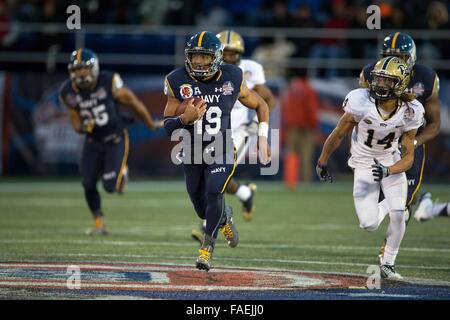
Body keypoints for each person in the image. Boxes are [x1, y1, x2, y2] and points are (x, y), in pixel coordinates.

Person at [163, 31, 270, 271]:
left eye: (205, 57)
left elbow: (262, 104)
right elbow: (167, 127)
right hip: (191, 149)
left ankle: (206, 248)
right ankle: (225, 217)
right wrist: (183, 119)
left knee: (214, 191)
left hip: (222, 146)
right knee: (201, 206)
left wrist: (263, 138)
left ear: (217, 58)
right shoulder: (176, 79)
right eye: (195, 56)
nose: (199, 62)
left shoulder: (232, 76)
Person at [317, 56, 425, 279]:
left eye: (387, 81)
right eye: (378, 79)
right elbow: (339, 134)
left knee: (398, 215)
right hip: (364, 163)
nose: (379, 85)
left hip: (390, 160)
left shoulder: (411, 111)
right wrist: (322, 160)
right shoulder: (360, 101)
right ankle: (393, 204)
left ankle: (388, 263)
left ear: (401, 83)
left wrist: (390, 170)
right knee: (369, 224)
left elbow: (408, 159)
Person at [59, 48, 161, 235]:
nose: (81, 74)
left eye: (84, 69)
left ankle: (123, 171)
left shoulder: (108, 81)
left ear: (94, 68)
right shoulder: (67, 92)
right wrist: (83, 128)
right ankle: (99, 223)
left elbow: (133, 102)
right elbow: (75, 121)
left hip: (114, 137)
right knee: (88, 183)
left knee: (110, 187)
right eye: (77, 70)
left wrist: (150, 123)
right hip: (92, 140)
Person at [359, 32, 441, 261]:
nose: (396, 62)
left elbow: (434, 124)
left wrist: (414, 142)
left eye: (402, 57)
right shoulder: (370, 73)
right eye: (389, 56)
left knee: (401, 207)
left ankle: (388, 257)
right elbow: (357, 115)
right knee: (373, 209)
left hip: (407, 145)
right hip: (379, 146)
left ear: (411, 58)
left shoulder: (425, 77)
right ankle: (419, 198)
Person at [190, 30, 277, 244]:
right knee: (217, 177)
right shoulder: (206, 70)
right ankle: (246, 194)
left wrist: (260, 128)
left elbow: (266, 99)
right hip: (214, 130)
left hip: (239, 129)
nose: (228, 56)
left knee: (219, 175)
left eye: (232, 52)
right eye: (225, 52)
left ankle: (207, 227)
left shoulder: (248, 70)